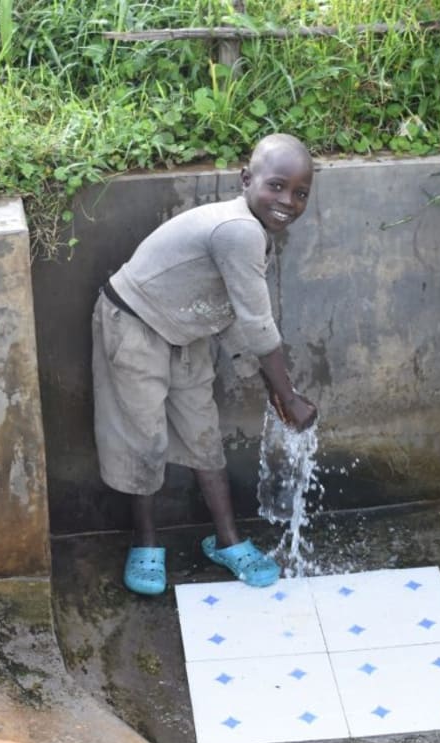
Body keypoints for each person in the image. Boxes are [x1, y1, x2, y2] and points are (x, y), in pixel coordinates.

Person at [91, 132, 318, 596]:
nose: (287, 201)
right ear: (245, 179)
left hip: (186, 331)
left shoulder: (253, 235)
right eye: (276, 186)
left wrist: (269, 387)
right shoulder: (237, 230)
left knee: (203, 435)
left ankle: (227, 540)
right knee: (145, 437)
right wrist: (289, 396)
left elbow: (231, 312)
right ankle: (146, 541)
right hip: (134, 325)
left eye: (300, 193)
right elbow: (257, 324)